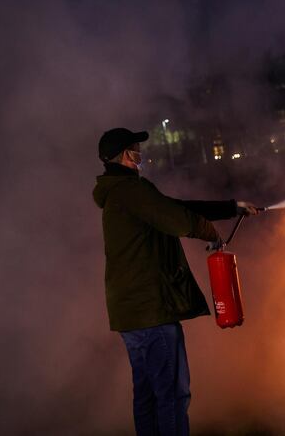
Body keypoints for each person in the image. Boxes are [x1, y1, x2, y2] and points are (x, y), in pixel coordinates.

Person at [92, 127, 258, 436]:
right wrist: (210, 233)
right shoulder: (131, 191)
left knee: (149, 394)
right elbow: (180, 220)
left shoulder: (123, 192)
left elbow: (176, 206)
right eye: (136, 149)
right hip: (151, 312)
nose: (141, 154)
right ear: (127, 156)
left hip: (132, 314)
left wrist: (230, 207)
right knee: (171, 394)